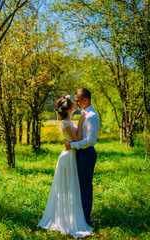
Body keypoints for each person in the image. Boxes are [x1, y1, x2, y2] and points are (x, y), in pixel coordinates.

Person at [37, 95, 93, 238]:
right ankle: (67, 219)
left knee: (71, 188)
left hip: (71, 156)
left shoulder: (68, 122)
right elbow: (78, 139)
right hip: (67, 158)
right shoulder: (66, 124)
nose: (75, 104)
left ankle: (72, 215)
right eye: (73, 103)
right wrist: (80, 124)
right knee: (68, 188)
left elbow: (74, 140)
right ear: (68, 108)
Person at [65, 88, 100, 226]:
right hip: (81, 153)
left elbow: (90, 140)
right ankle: (81, 216)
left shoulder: (91, 116)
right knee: (80, 186)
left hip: (87, 154)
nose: (76, 103)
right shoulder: (85, 114)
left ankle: (86, 219)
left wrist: (72, 145)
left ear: (85, 100)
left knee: (85, 187)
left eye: (78, 100)